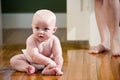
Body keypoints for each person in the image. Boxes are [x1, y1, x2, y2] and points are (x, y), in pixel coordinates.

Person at [10, 9, 63, 75]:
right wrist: (48, 62)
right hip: (31, 60)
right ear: (32, 27)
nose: (40, 32)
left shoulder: (54, 40)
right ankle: (28, 67)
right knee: (14, 60)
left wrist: (58, 67)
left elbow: (57, 55)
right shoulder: (31, 39)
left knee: (56, 60)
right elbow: (34, 55)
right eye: (37, 28)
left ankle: (49, 70)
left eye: (46, 29)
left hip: (49, 61)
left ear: (53, 30)